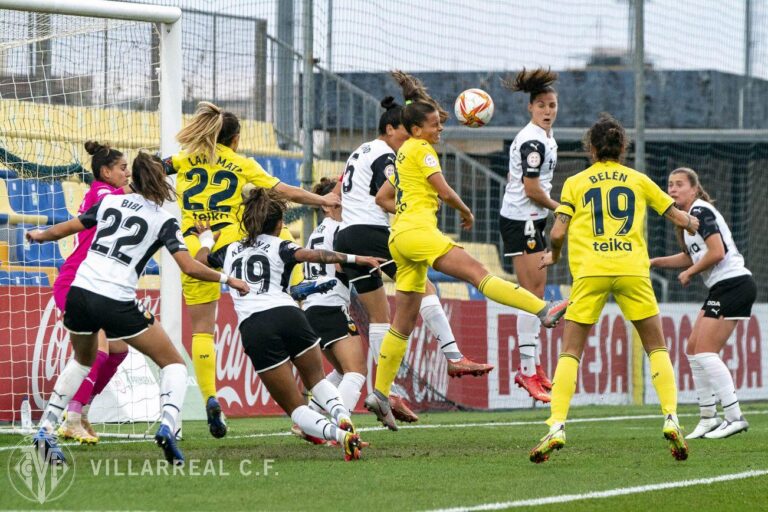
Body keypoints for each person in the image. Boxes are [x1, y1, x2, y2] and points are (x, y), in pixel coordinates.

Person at [362, 71, 568, 432]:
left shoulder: (403, 152)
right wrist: (465, 210)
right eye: (434, 125)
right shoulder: (421, 150)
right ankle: (543, 310)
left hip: (400, 238)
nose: (440, 129)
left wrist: (409, 211)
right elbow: (443, 190)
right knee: (477, 272)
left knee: (404, 321)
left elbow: (383, 197)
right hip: (419, 234)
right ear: (417, 129)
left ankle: (380, 393)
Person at [27, 152, 249, 466]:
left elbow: (67, 228)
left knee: (81, 360)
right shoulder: (164, 220)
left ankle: (45, 430)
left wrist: (38, 236)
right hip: (115, 300)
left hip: (80, 292)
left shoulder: (109, 202)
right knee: (173, 363)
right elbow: (189, 267)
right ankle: (168, 426)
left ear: (135, 179)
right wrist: (228, 278)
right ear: (160, 181)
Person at [530, 113, 699, 463]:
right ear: (623, 148)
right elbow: (677, 216)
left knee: (570, 351)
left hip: (590, 272)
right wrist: (691, 222)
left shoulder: (576, 182)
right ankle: (671, 417)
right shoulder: (638, 180)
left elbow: (557, 232)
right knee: (656, 346)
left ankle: (556, 425)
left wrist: (555, 255)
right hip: (632, 270)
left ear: (591, 149)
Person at [167, 101, 339, 439]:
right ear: (234, 139)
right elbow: (284, 191)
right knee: (282, 244)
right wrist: (323, 200)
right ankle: (295, 291)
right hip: (233, 240)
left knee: (202, 329)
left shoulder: (183, 159)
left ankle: (210, 398)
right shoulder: (241, 163)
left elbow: (154, 171)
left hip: (195, 245)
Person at [334, 96, 494, 424]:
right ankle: (453, 356)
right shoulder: (386, 154)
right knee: (426, 289)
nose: (407, 140)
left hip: (347, 235)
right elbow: (386, 197)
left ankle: (383, 393)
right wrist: (416, 209)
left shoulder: (360, 150)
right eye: (404, 134)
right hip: (372, 232)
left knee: (380, 316)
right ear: (390, 128)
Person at [195, 188, 384, 460]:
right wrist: (356, 258)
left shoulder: (230, 250)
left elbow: (199, 263)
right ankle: (343, 416)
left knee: (296, 407)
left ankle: (342, 436)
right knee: (318, 381)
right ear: (278, 225)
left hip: (256, 326)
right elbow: (315, 255)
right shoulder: (280, 246)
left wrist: (205, 239)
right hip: (290, 315)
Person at [651, 167, 755, 439]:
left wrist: (690, 273)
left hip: (734, 284)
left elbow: (717, 252)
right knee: (693, 349)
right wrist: (654, 262)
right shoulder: (688, 222)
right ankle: (708, 417)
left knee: (706, 351)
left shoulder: (700, 211)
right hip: (723, 286)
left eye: (679, 184)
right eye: (670, 185)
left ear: (694, 189)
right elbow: (691, 257)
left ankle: (734, 416)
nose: (672, 189)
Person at [53, 141, 131, 444]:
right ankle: (71, 417)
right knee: (99, 350)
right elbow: (121, 197)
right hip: (76, 283)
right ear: (106, 172)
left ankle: (82, 408)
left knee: (119, 350)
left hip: (97, 284)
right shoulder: (101, 193)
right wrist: (152, 177)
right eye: (122, 168)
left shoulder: (107, 194)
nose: (127, 173)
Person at [499, 68, 561, 403]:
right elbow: (532, 189)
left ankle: (533, 366)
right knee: (531, 296)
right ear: (530, 108)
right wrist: (560, 208)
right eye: (541, 105)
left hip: (533, 219)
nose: (547, 111)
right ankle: (526, 370)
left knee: (536, 294)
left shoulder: (546, 137)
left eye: (552, 105)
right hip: (522, 218)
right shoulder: (533, 140)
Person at [294, 178, 367, 444]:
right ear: (326, 206)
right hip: (330, 306)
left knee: (340, 370)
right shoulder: (339, 229)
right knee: (356, 371)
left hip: (312, 309)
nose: (347, 202)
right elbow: (340, 267)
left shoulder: (316, 233)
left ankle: (309, 421)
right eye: (341, 198)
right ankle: (342, 430)